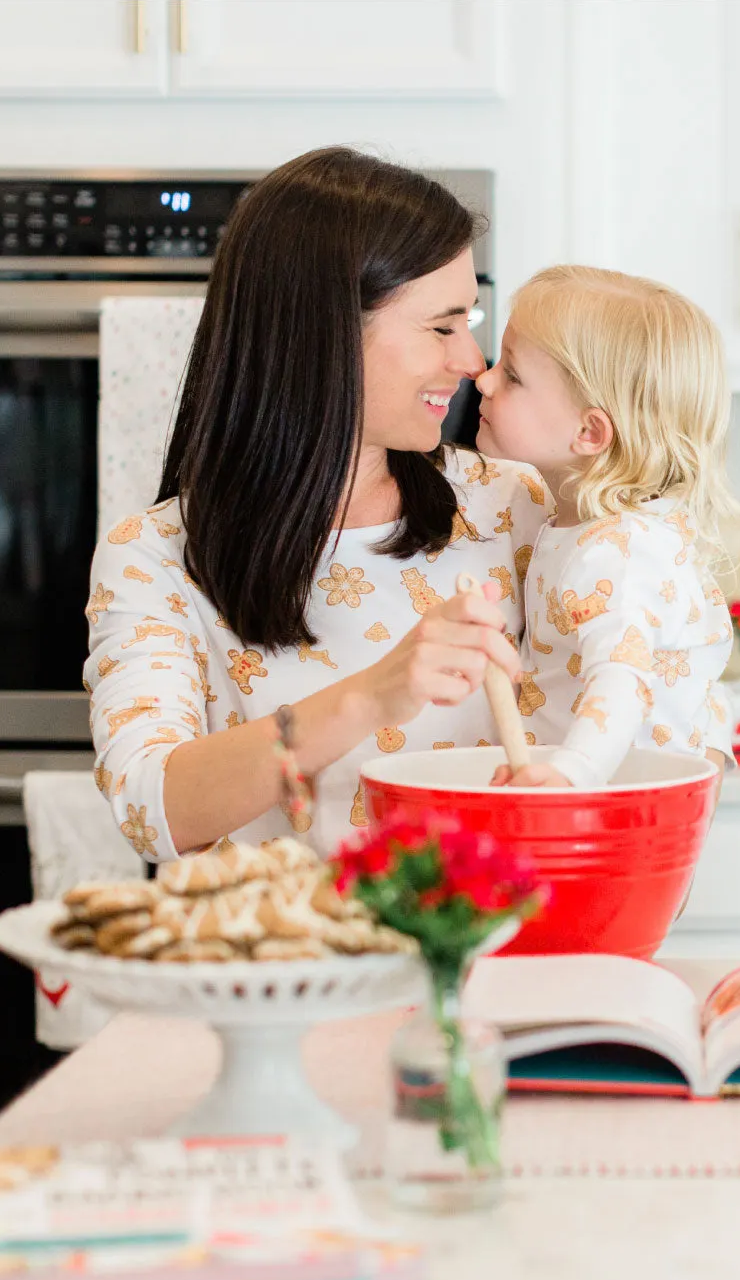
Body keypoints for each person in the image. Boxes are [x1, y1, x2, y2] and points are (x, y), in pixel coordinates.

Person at [85, 147, 553, 862]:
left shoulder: (511, 505)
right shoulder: (156, 556)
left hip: (489, 961)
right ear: (326, 331)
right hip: (281, 968)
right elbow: (156, 810)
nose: (473, 361)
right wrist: (369, 697)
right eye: (442, 326)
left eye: (472, 320)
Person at [474, 265, 739, 787]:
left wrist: (571, 776)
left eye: (512, 374)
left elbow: (621, 678)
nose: (483, 378)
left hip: (606, 807)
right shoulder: (609, 528)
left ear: (589, 432)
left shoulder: (616, 551)